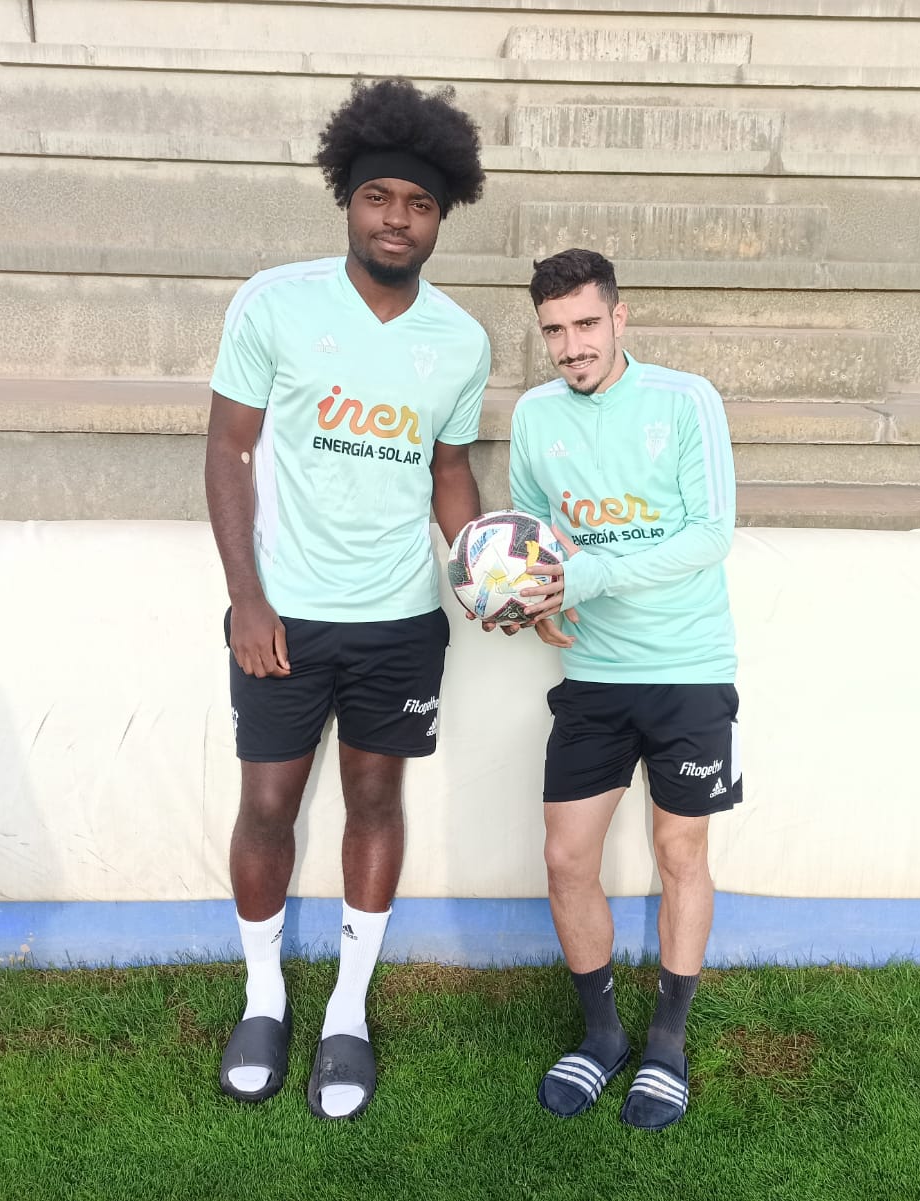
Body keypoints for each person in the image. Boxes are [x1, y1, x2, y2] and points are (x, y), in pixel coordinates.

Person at [204, 76, 489, 1120]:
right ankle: (264, 999)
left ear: (441, 216)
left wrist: (485, 568)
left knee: (375, 803)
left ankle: (347, 1014)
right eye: (379, 197)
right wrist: (246, 597)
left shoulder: (460, 340)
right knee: (267, 806)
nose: (396, 219)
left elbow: (449, 472)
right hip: (284, 616)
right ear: (348, 198)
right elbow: (228, 450)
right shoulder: (274, 303)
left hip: (401, 622)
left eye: (418, 203)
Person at [502, 248, 741, 1131]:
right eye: (554, 330)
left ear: (619, 316)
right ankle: (602, 1035)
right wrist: (534, 604)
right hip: (595, 677)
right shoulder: (535, 416)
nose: (572, 345)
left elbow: (710, 534)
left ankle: (666, 1044)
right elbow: (534, 540)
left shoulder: (685, 400)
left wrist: (588, 579)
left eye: (586, 324)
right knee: (567, 858)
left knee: (681, 854)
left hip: (687, 670)